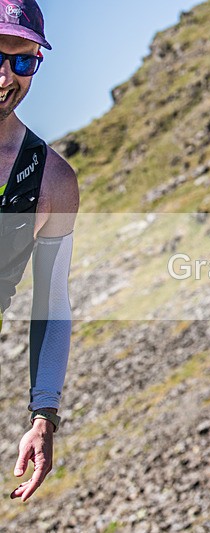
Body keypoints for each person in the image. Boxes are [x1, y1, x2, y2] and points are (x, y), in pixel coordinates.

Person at [0, 0, 79, 502]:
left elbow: (51, 304)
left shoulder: (52, 180)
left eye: (22, 61)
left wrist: (43, 413)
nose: (5, 76)